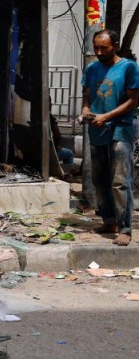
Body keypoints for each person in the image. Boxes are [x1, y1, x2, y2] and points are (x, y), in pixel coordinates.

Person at [81, 29, 139, 246]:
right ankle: (109, 220)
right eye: (96, 47)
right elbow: (87, 94)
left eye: (103, 48)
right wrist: (86, 110)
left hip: (120, 130)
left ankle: (125, 227)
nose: (99, 51)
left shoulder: (129, 67)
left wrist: (106, 116)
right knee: (100, 178)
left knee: (120, 181)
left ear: (114, 45)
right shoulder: (91, 68)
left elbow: (133, 101)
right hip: (97, 130)